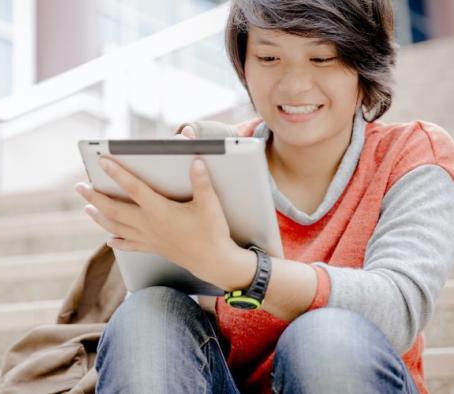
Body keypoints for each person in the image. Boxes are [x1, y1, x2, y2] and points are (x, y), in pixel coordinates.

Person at [74, 0, 454, 393]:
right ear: (244, 64)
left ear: (363, 62)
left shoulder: (409, 155)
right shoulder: (208, 161)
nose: (295, 85)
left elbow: (398, 309)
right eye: (269, 56)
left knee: (325, 339)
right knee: (147, 316)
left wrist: (237, 268)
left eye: (321, 57)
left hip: (350, 372)